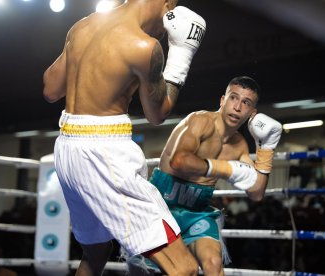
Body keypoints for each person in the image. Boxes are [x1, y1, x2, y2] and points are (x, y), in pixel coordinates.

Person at [42, 1, 206, 275]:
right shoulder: (144, 46)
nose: (166, 28)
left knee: (96, 252)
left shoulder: (82, 26)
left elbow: (50, 89)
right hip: (105, 153)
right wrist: (181, 53)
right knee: (184, 268)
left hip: (67, 149)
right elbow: (158, 113)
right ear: (166, 4)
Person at [129, 76, 282, 275]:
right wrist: (226, 168)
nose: (237, 107)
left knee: (214, 263)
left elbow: (256, 192)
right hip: (162, 208)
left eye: (246, 103)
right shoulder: (199, 121)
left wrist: (266, 149)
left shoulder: (240, 145)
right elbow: (179, 161)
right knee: (146, 272)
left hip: (196, 212)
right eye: (233, 98)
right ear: (222, 100)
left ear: (252, 113)